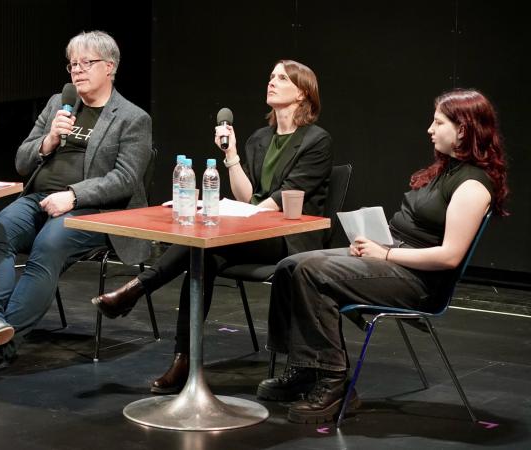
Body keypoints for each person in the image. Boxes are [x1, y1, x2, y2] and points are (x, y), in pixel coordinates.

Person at [258, 89, 509, 424]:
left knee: (312, 272)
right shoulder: (446, 171)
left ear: (463, 130)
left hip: (420, 281)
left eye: (438, 122)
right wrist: (374, 245)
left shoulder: (473, 186)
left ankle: (333, 382)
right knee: (291, 266)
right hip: (394, 256)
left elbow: (449, 257)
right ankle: (305, 368)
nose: (430, 130)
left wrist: (385, 255)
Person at [92, 60, 332, 393]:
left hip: (288, 237)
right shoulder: (260, 138)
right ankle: (183, 360)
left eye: (281, 78)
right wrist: (231, 154)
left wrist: (233, 214)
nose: (271, 82)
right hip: (250, 232)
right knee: (201, 257)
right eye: (271, 76)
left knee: (207, 243)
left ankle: (137, 289)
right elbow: (248, 195)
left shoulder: (316, 141)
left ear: (303, 91)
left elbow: (278, 199)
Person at [0, 30, 153, 371]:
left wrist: (73, 196)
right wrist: (49, 139)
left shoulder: (132, 118)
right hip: (39, 199)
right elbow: (22, 160)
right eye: (73, 64)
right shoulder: (59, 105)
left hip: (95, 210)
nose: (77, 71)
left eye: (87, 62)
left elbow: (125, 179)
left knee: (49, 244)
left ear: (110, 67)